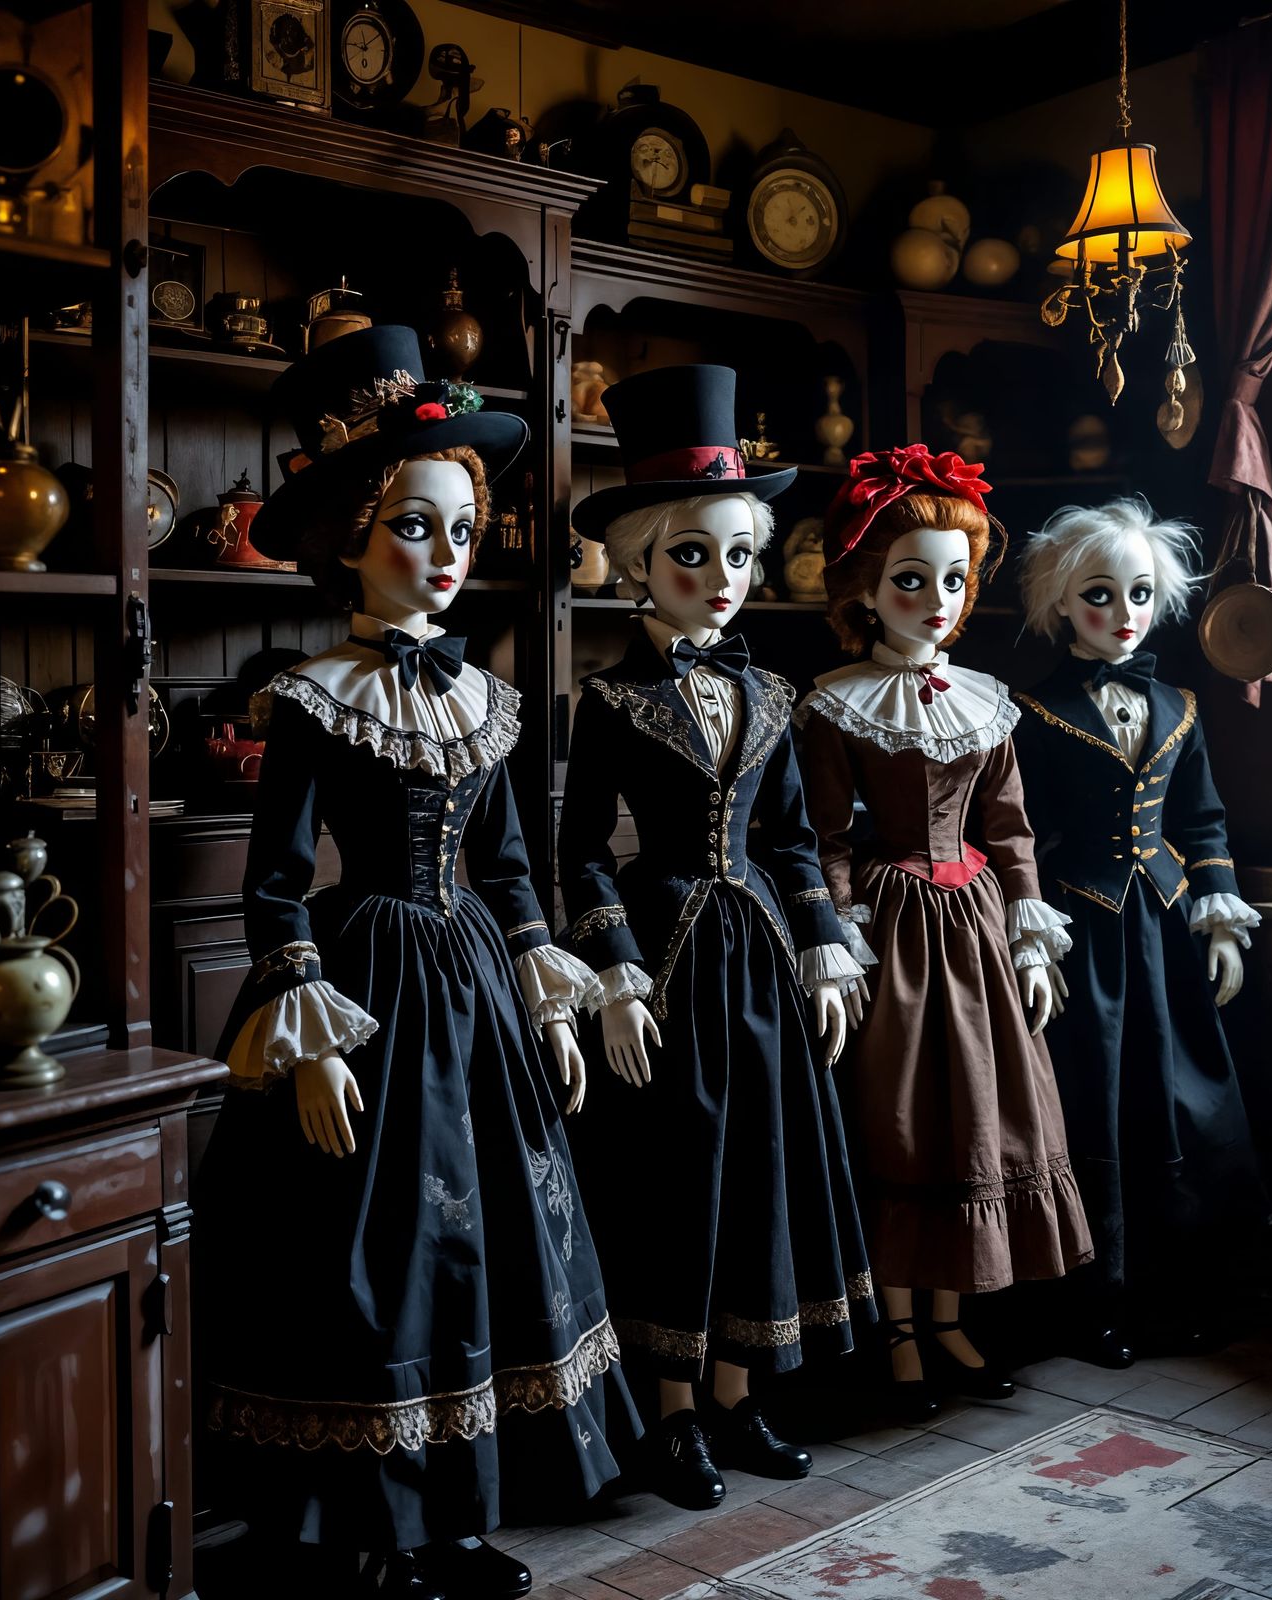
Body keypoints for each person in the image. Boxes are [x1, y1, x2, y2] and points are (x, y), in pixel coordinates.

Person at [197, 328, 637, 1598]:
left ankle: (454, 1511)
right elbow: (276, 878)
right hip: (366, 983)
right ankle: (365, 1528)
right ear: (350, 533)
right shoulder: (312, 694)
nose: (444, 559)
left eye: (460, 532)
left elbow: (507, 868)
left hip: (479, 988)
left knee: (488, 1246)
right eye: (414, 529)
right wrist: (308, 1029)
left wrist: (550, 984)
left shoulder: (482, 697)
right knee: (369, 1260)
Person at [557, 364, 873, 1511]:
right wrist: (613, 970)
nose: (723, 581)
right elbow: (581, 849)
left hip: (762, 967)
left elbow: (793, 837)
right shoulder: (607, 702)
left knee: (760, 1173)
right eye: (693, 555)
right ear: (638, 562)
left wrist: (824, 943)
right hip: (671, 961)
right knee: (676, 1180)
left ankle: (736, 1390)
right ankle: (673, 1411)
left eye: (738, 554)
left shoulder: (773, 695)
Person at [796, 445, 1092, 1420]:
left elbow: (1008, 832)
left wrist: (1030, 936)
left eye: (952, 580)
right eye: (909, 579)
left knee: (978, 1118)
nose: (934, 599)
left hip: (971, 928)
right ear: (866, 589)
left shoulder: (984, 702)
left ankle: (953, 1314)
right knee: (905, 1123)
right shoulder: (836, 704)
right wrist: (840, 940)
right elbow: (827, 837)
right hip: (896, 935)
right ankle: (901, 1326)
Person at [1013, 496, 1269, 1369]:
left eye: (1139, 596)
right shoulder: (1032, 714)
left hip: (1165, 931)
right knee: (1102, 1100)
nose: (1122, 615)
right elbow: (1018, 834)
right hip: (1088, 933)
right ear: (1059, 605)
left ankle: (1188, 1290)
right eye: (1099, 596)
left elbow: (1202, 823)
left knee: (1185, 1100)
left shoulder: (1182, 706)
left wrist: (1221, 920)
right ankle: (1099, 1301)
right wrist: (1034, 936)